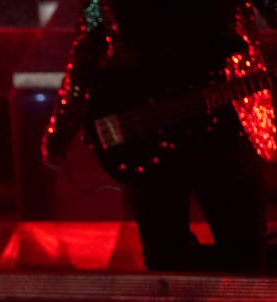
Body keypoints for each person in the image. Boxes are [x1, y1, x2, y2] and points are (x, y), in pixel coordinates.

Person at [42, 0, 277, 272]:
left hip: (154, 130)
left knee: (170, 264)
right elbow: (87, 49)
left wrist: (60, 135)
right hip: (206, 129)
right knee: (240, 259)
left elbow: (86, 53)